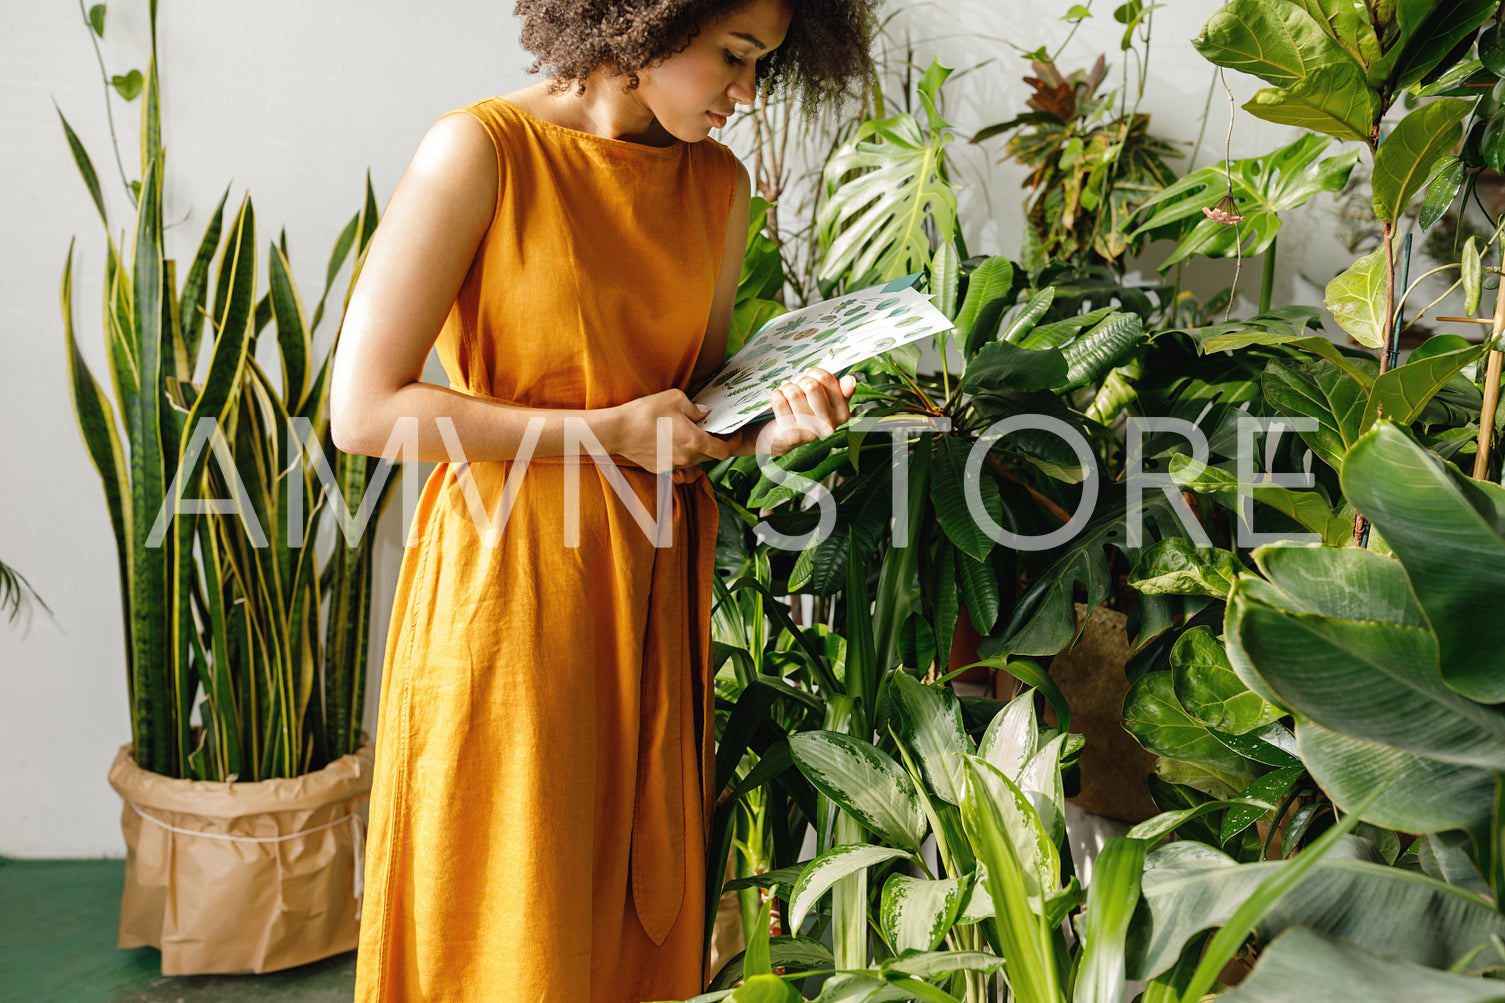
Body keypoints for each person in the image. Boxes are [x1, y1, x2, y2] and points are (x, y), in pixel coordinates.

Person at [329, 1, 876, 999]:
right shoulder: (481, 152)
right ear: (649, 22)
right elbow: (363, 411)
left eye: (763, 65)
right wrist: (602, 436)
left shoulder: (716, 184)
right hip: (510, 590)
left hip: (651, 589)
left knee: (630, 910)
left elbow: (687, 415)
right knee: (508, 907)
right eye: (735, 57)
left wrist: (763, 429)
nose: (746, 95)